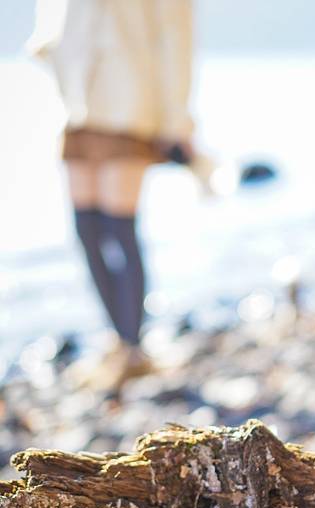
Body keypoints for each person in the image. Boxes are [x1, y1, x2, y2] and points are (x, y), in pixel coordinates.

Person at [28, 0, 195, 387]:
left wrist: (178, 121)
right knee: (87, 231)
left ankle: (133, 348)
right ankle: (118, 341)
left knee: (119, 229)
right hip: (78, 104)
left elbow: (176, 37)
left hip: (130, 104)